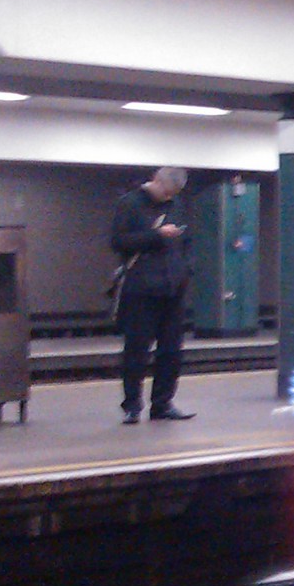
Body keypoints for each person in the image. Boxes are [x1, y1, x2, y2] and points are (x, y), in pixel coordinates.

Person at [111, 166, 195, 425]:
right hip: (141, 289)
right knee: (137, 350)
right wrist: (156, 235)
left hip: (172, 288)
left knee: (171, 351)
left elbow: (186, 240)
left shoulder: (176, 204)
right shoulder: (129, 204)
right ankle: (132, 405)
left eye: (174, 194)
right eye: (166, 193)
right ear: (156, 181)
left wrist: (186, 269)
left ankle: (162, 403)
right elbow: (119, 242)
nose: (169, 198)